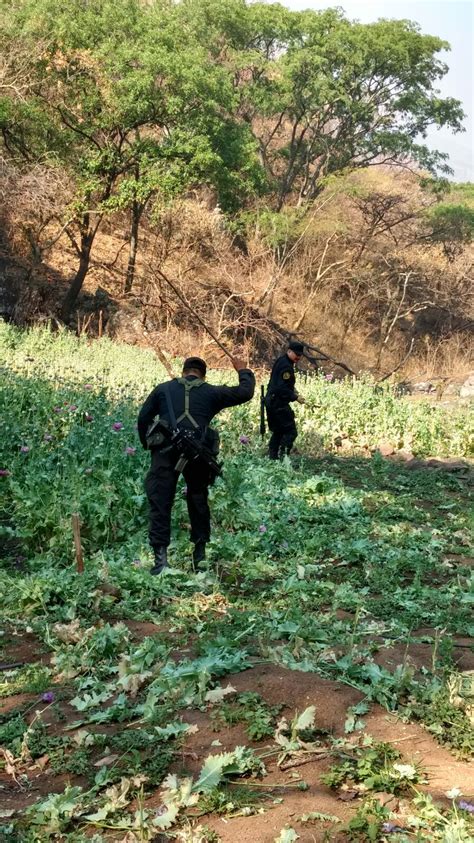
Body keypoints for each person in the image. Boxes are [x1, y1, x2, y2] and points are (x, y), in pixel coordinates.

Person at [138, 355, 255, 574]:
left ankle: (160, 560)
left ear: (183, 371)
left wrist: (148, 444)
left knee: (161, 499)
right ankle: (199, 556)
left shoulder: (163, 390)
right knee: (198, 498)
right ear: (203, 374)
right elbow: (245, 393)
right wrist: (242, 370)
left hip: (164, 452)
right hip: (197, 454)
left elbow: (143, 418)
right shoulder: (211, 392)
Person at [265, 340, 305, 460]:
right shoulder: (286, 366)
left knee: (278, 431)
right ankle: (283, 457)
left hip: (272, 401)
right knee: (290, 432)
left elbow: (280, 383)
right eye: (296, 354)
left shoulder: (282, 360)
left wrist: (293, 390)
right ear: (289, 351)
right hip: (278, 403)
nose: (298, 357)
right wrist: (295, 397)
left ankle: (273, 457)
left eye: (300, 355)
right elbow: (281, 388)